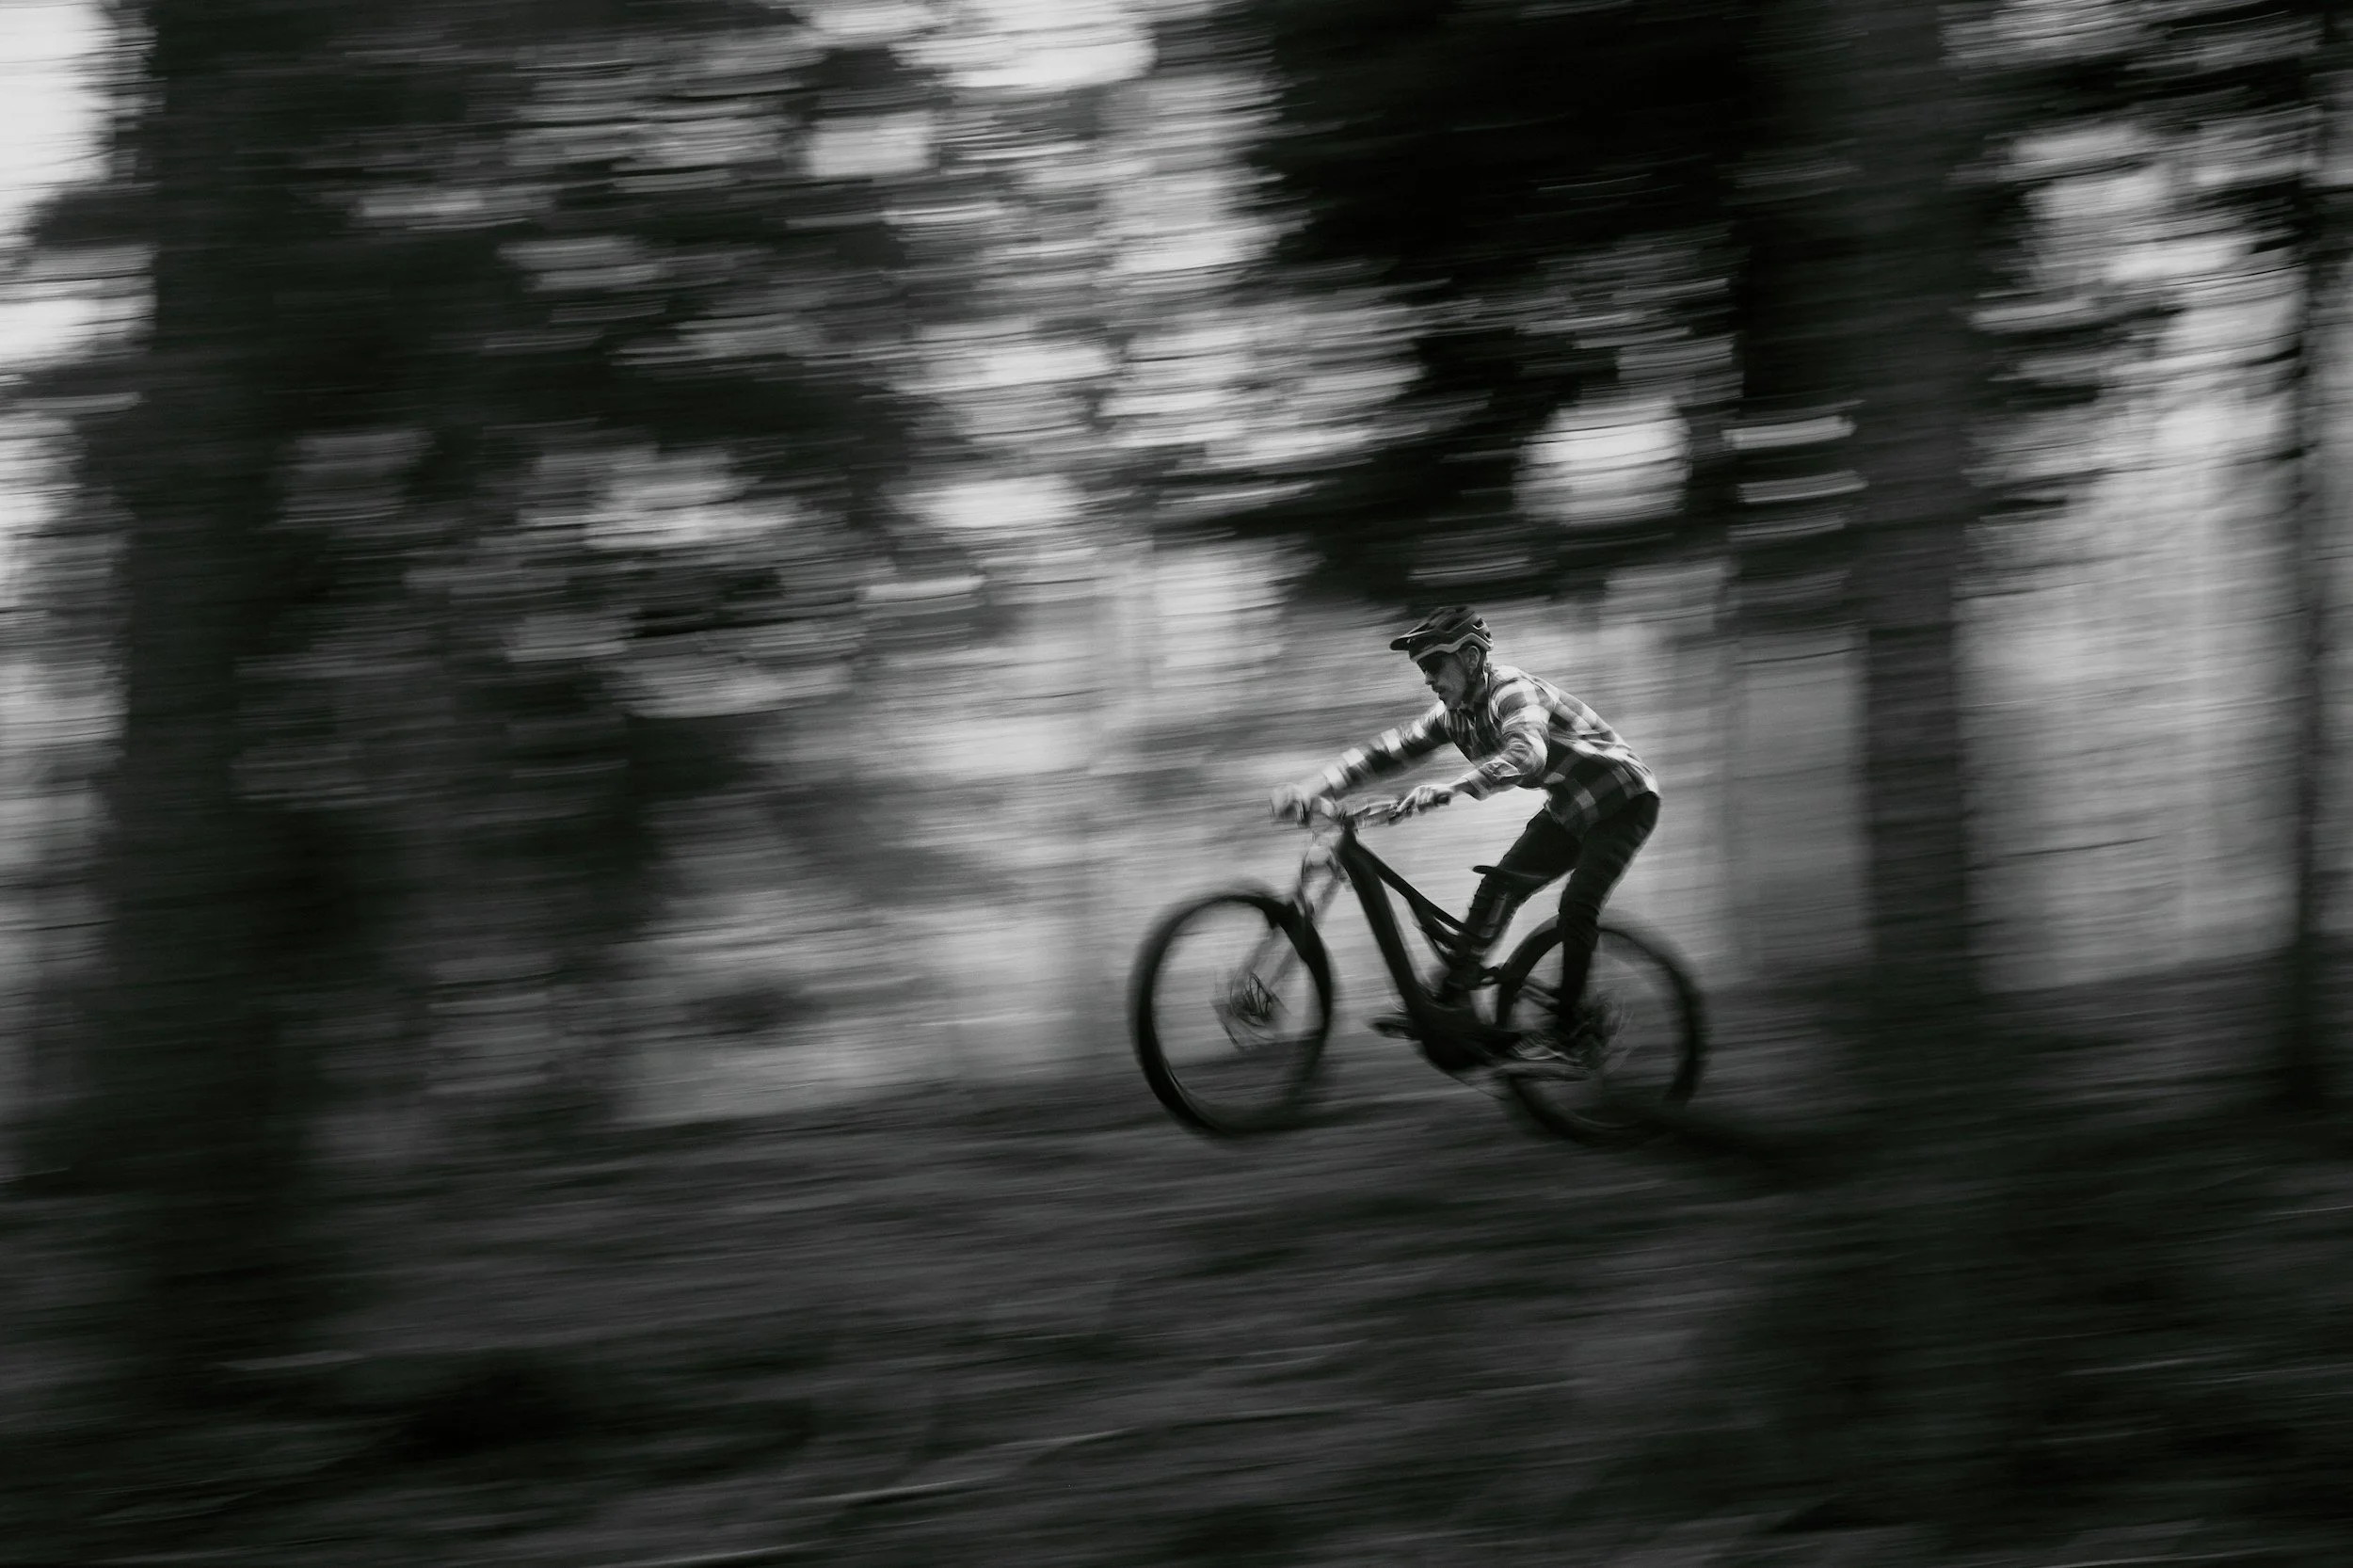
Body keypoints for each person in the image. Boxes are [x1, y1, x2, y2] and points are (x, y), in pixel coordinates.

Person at [1271, 606, 1659, 1057]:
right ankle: (1451, 997)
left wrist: (1452, 788)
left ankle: (1573, 1031)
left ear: (1471, 659)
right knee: (1497, 887)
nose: (1428, 678)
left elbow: (1527, 755)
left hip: (1624, 801)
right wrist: (1311, 788)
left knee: (1577, 904)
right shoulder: (1453, 715)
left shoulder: (1512, 690)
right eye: (1422, 668)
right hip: (1570, 809)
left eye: (1435, 665)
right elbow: (1387, 751)